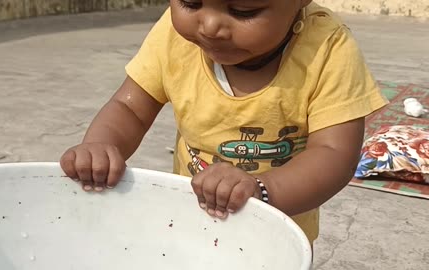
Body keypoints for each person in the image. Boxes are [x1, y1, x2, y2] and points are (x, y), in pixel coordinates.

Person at [60, 0, 388, 245]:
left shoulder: (328, 49)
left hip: (273, 232)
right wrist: (101, 145)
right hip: (188, 220)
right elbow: (129, 107)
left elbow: (334, 153)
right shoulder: (175, 40)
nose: (210, 25)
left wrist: (263, 189)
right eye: (190, 2)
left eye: (243, 10)